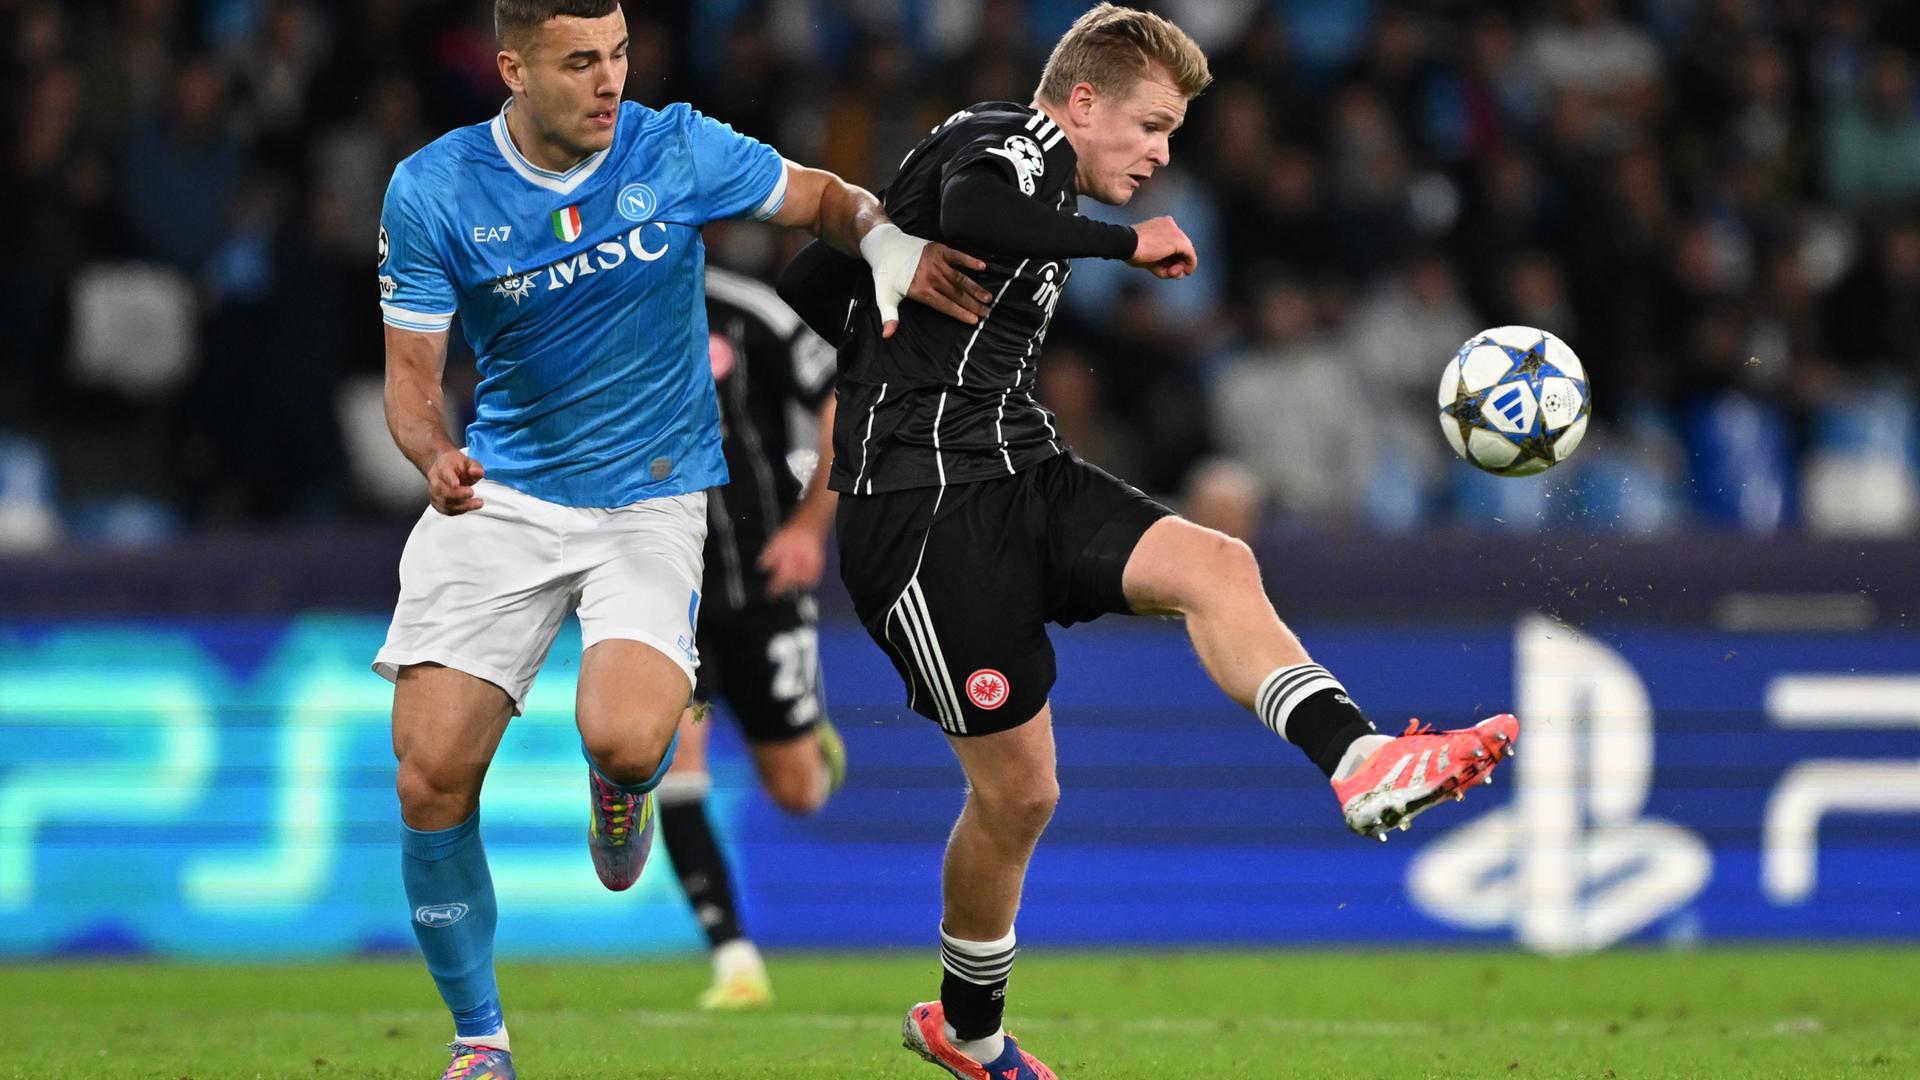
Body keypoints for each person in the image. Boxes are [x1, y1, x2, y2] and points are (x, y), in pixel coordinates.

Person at [777, 6, 1519, 1079]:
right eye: (1151, 126)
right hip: (922, 511)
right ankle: (968, 1031)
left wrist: (889, 261)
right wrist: (1122, 244)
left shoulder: (1019, 170)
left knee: (1219, 562)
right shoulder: (1012, 141)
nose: (1164, 155)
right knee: (1020, 795)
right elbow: (980, 203)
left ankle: (1361, 761)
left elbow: (813, 284)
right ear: (1081, 103)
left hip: (1021, 470)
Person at [370, 2, 993, 1078]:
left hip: (652, 501)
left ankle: (628, 782)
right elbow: (414, 380)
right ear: (512, 69)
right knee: (429, 778)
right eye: (580, 62)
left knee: (620, 737)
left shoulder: (675, 146)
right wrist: (432, 455)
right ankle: (481, 1041)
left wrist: (890, 243)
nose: (610, 79)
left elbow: (820, 200)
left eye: (618, 54)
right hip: (503, 494)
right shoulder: (433, 190)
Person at [653, 264, 848, 1011]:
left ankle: (815, 738)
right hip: (666, 595)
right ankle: (735, 959)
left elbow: (843, 397)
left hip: (765, 584)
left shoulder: (745, 312)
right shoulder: (598, 313)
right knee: (676, 757)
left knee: (799, 792)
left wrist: (809, 525)